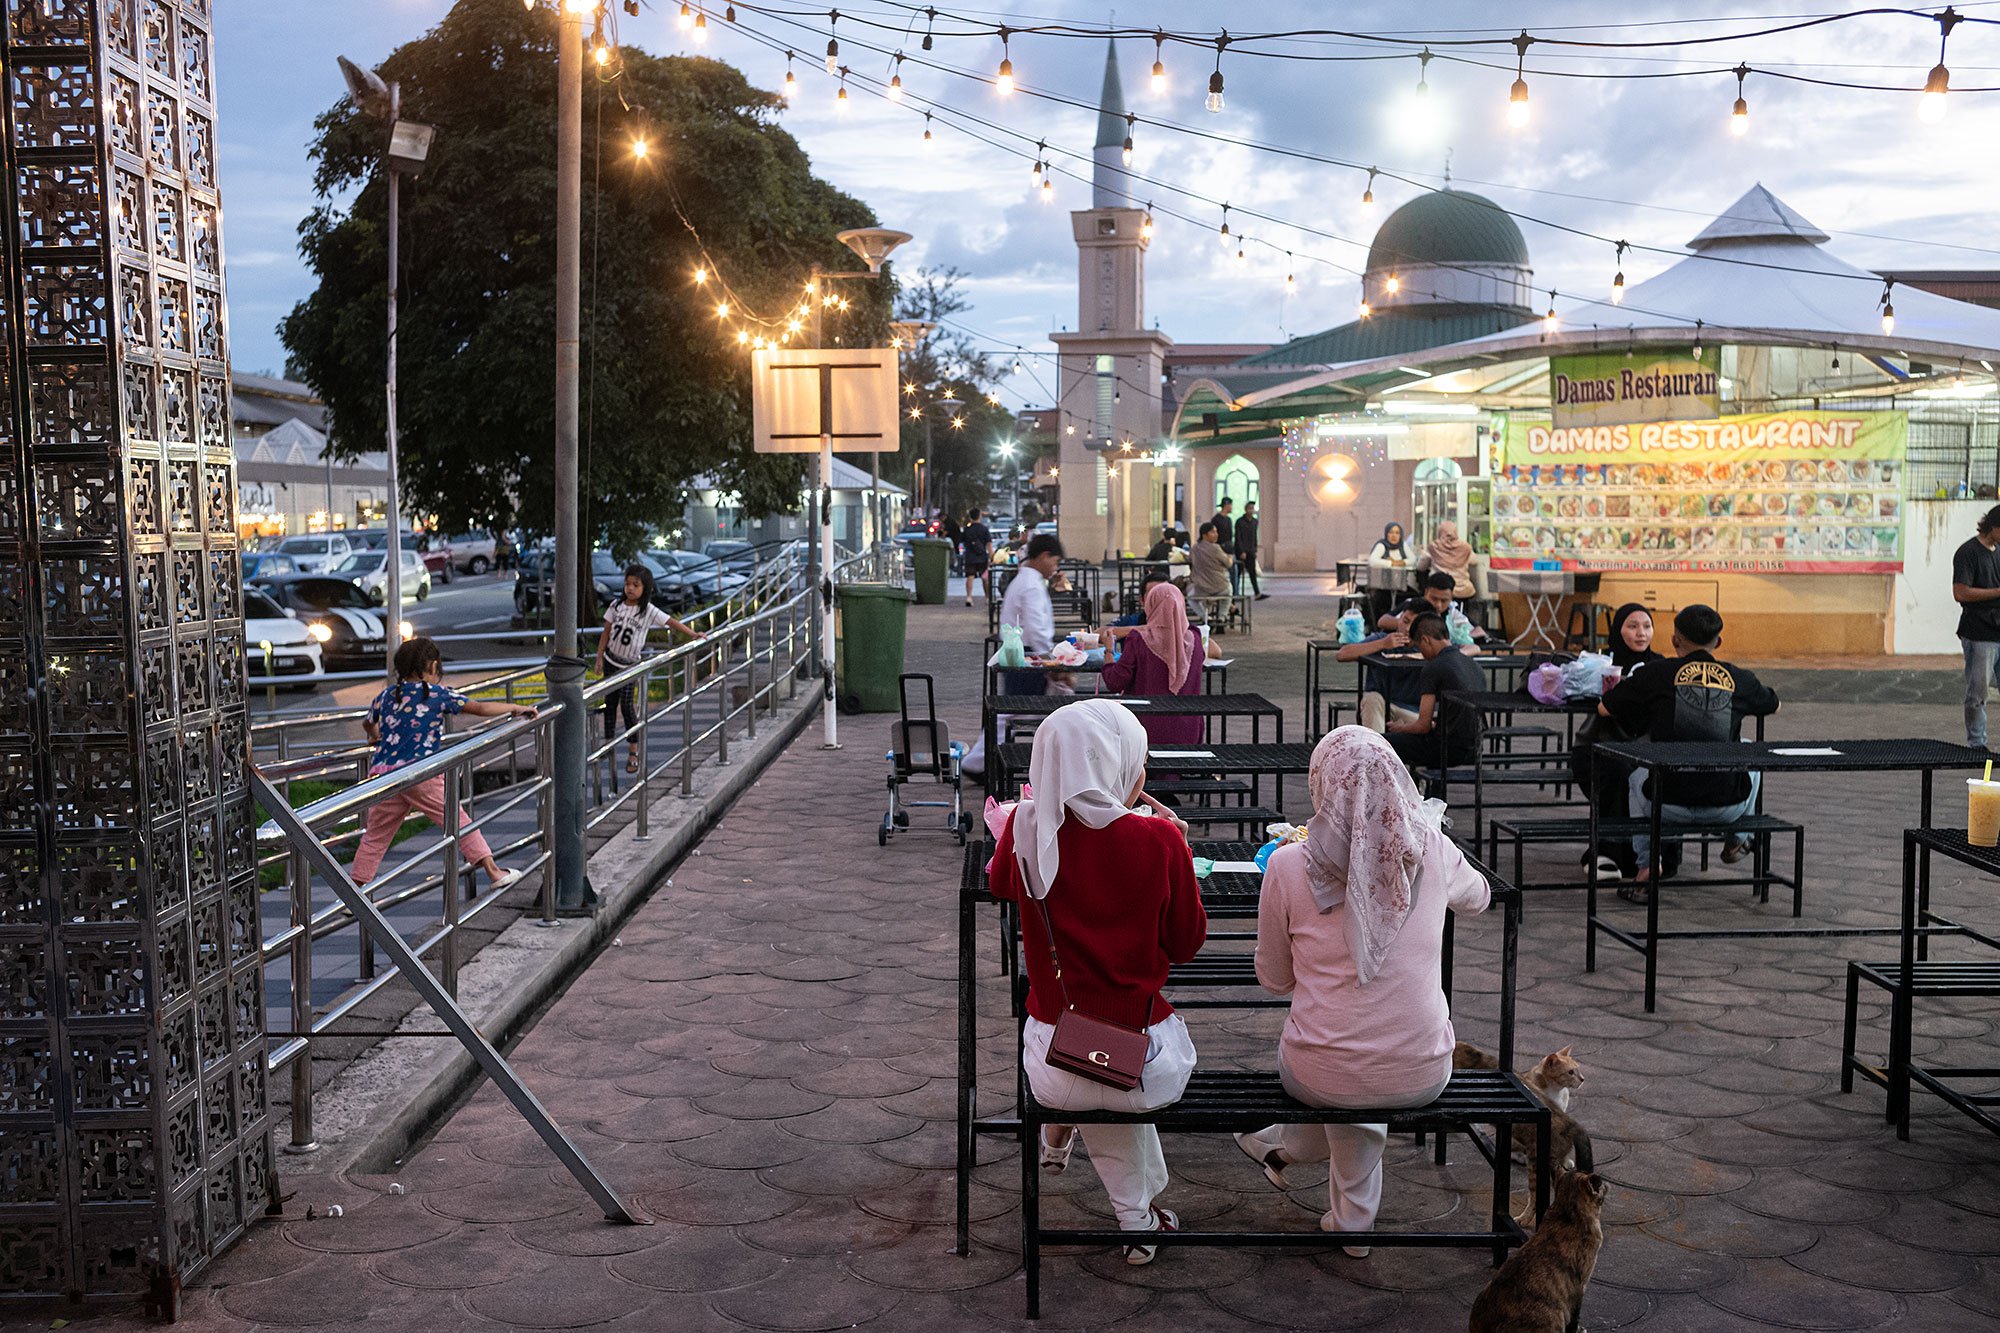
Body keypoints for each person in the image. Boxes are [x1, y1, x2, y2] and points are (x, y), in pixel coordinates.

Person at [1234, 727, 1491, 1252]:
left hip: (1318, 1066)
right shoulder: (1431, 849)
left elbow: (1274, 980)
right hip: (1423, 1065)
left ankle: (1342, 1208)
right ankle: (1300, 1167)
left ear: (1322, 784)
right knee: (1364, 1064)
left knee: (1343, 1068)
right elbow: (1480, 897)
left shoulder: (1287, 865)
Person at [988, 701, 1208, 1265]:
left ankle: (1066, 1131)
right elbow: (1186, 944)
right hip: (1145, 1062)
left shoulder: (1026, 827)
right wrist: (1178, 848)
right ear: (1115, 762)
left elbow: (1002, 885)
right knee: (1114, 1071)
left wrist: (1023, 826)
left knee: (1093, 1068)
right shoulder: (1158, 839)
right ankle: (1136, 1220)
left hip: (1053, 1054)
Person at [1597, 604, 1780, 899]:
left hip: (1664, 805)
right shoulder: (1740, 679)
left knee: (1637, 772)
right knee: (1748, 750)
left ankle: (1646, 867)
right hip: (1727, 807)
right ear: (1718, 642)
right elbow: (1775, 704)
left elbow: (1605, 708)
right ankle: (1738, 838)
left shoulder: (1656, 674)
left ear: (1674, 640)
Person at [352, 637, 539, 891]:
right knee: (457, 820)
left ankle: (354, 889)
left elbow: (368, 722)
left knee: (376, 835)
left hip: (385, 776)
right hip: (421, 773)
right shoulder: (437, 694)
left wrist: (374, 736)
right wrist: (515, 708)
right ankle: (494, 871)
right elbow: (480, 708)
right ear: (432, 666)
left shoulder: (386, 696)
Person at [1575, 604, 1664, 878]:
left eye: (1647, 626)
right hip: (1599, 745)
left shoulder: (1660, 666)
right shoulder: (1602, 664)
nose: (1641, 633)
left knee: (1656, 772)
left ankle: (1655, 855)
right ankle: (1606, 853)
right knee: (1618, 772)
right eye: (1632, 626)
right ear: (1618, 630)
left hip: (1645, 747)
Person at [596, 564, 702, 774]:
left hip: (629, 666)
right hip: (611, 661)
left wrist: (692, 634)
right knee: (610, 703)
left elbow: (671, 621)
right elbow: (606, 633)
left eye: (636, 585)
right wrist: (599, 658)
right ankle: (608, 742)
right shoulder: (616, 605)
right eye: (627, 584)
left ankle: (633, 749)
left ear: (645, 588)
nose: (630, 588)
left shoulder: (648, 610)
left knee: (627, 706)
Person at [1102, 582, 1218, 745]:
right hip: (1189, 730)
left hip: (1144, 729)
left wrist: (1109, 650)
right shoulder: (1194, 638)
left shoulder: (1139, 639)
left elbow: (1114, 682)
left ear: (1150, 606)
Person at [1383, 613, 1483, 769]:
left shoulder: (1433, 667)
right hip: (1474, 748)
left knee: (1381, 743)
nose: (1422, 654)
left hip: (1446, 750)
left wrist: (1400, 728)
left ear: (1425, 640)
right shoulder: (1474, 665)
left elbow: (1423, 726)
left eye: (1419, 647)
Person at [1953, 503, 2000, 749]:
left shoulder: (1999, 551)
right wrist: (1997, 593)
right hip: (1979, 631)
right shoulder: (1968, 553)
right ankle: (1977, 744)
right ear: (1994, 527)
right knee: (1978, 693)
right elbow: (1960, 593)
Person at [1000, 534, 1069, 696]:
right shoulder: (1031, 586)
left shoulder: (1025, 581)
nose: (1055, 568)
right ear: (1045, 556)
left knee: (1016, 705)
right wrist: (1049, 661)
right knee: (1026, 705)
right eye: (1055, 561)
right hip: (1028, 656)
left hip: (1018, 653)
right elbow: (1036, 629)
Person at [1338, 609, 1423, 731]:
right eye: (1405, 621)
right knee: (1372, 699)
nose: (1407, 629)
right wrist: (1382, 644)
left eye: (1414, 625)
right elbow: (1342, 654)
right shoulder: (1383, 638)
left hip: (1414, 713)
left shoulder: (1427, 646)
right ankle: (1374, 743)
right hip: (1382, 706)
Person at [1381, 571, 1486, 642]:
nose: (1438, 605)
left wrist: (1461, 636)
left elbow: (1479, 631)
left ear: (1451, 597)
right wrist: (1408, 624)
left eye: (1444, 600)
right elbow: (1382, 621)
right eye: (1434, 599)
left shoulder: (1453, 610)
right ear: (1426, 592)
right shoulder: (1413, 604)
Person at [1189, 521, 1234, 630]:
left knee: (1191, 598)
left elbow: (1189, 559)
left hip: (1201, 588)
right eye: (1213, 532)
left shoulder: (1194, 548)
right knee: (1228, 592)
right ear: (1204, 535)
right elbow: (1228, 564)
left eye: (1216, 532)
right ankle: (1222, 618)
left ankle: (1205, 617)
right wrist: (1230, 558)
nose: (1216, 534)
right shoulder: (1216, 548)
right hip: (1220, 587)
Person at [1418, 520, 1476, 600]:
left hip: (1440, 592)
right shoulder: (1465, 548)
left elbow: (1420, 567)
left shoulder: (1434, 547)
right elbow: (1474, 561)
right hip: (1464, 592)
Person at [1366, 522, 1413, 621]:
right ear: (1386, 534)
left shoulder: (1403, 545)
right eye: (1391, 532)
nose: (1394, 536)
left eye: (1397, 533)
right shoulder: (1382, 545)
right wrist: (1390, 563)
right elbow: (1372, 561)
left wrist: (1400, 562)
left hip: (1400, 585)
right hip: (1383, 585)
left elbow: (1412, 559)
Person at [1234, 500, 1267, 600]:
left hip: (1251, 551)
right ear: (1246, 509)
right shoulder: (1240, 522)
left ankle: (1257, 593)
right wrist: (1241, 551)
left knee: (1252, 573)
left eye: (1252, 508)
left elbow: (1254, 537)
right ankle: (1235, 593)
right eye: (1249, 508)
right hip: (1242, 552)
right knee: (1238, 573)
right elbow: (1238, 537)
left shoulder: (1254, 522)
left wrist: (1255, 549)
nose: (1251, 510)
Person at [961, 507, 993, 607]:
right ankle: (987, 598)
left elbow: (963, 542)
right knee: (985, 578)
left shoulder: (967, 529)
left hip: (970, 556)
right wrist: (991, 557)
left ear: (970, 517)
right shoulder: (984, 529)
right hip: (982, 556)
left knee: (970, 576)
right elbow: (989, 545)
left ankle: (969, 597)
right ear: (980, 516)